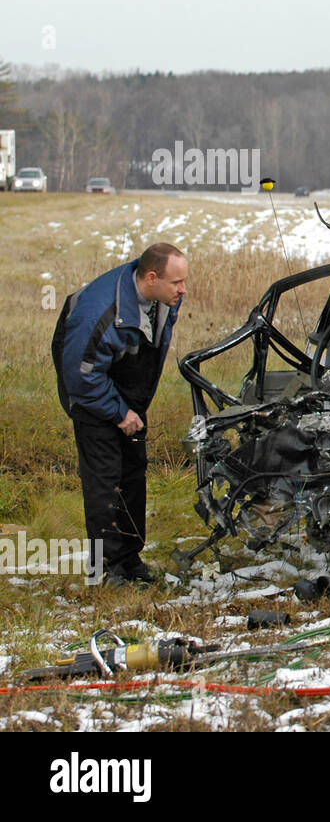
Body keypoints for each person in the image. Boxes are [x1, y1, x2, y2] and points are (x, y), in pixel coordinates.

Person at [52, 243, 188, 585]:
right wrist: (117, 412)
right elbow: (81, 377)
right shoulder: (99, 312)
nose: (183, 290)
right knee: (105, 479)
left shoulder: (163, 298)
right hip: (89, 391)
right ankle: (105, 569)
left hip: (124, 383)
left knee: (133, 472)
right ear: (152, 278)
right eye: (176, 282)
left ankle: (129, 558)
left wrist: (132, 408)